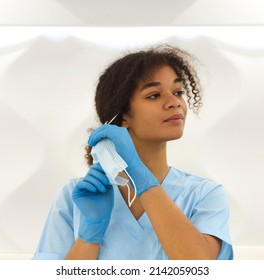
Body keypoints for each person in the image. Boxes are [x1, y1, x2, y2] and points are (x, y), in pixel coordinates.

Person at [32, 44, 233, 260]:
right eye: (154, 95)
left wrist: (141, 178)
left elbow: (201, 268)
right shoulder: (75, 197)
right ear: (123, 116)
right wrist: (90, 234)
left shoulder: (204, 195)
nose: (175, 102)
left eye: (178, 92)